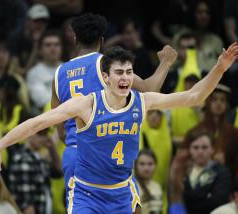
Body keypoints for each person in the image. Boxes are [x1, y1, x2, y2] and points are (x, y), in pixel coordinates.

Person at [0, 42, 238, 213]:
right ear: (105, 77)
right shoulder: (86, 105)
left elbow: (194, 97)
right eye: (119, 73)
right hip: (86, 193)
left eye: (129, 72)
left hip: (121, 193)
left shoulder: (142, 101)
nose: (126, 78)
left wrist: (219, 68)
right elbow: (38, 122)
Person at [52, 13, 177, 194]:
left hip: (73, 154)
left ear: (74, 38)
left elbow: (61, 132)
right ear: (102, 40)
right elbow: (149, 91)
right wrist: (166, 62)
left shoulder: (59, 73)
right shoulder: (105, 65)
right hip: (104, 152)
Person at [135, 149, 163, 214]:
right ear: (136, 165)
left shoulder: (157, 186)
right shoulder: (132, 187)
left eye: (150, 164)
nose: (146, 168)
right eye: (142, 164)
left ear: (156, 165)